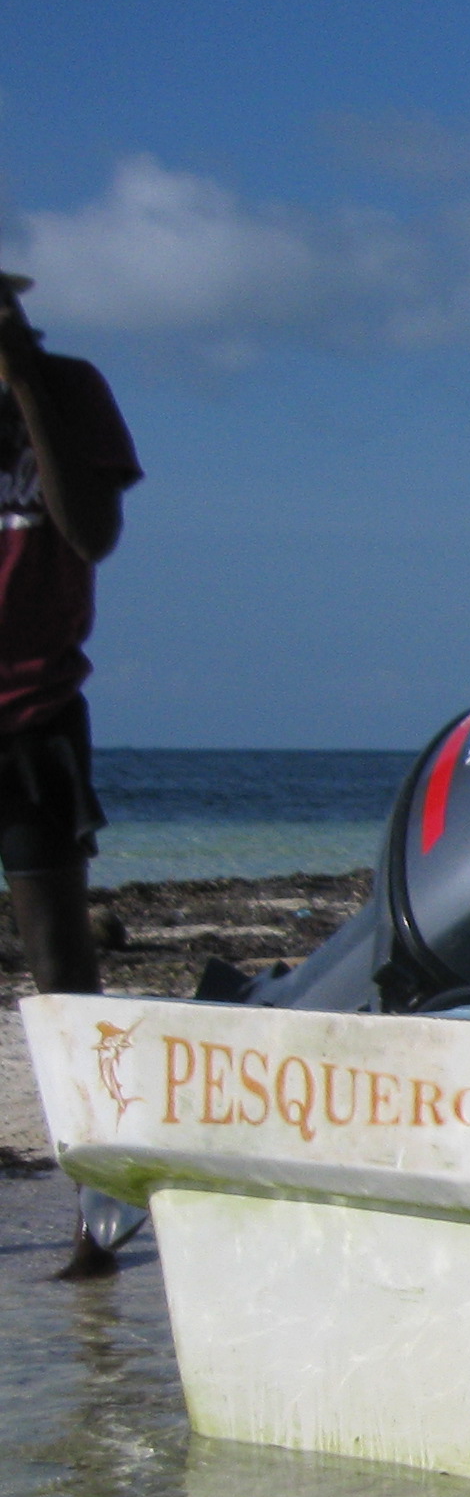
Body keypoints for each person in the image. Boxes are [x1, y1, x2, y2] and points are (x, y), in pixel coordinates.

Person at [0, 274, 144, 1274]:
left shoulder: (69, 388)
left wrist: (24, 386)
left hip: (33, 708)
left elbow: (91, 534)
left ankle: (97, 1207)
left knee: (60, 962)